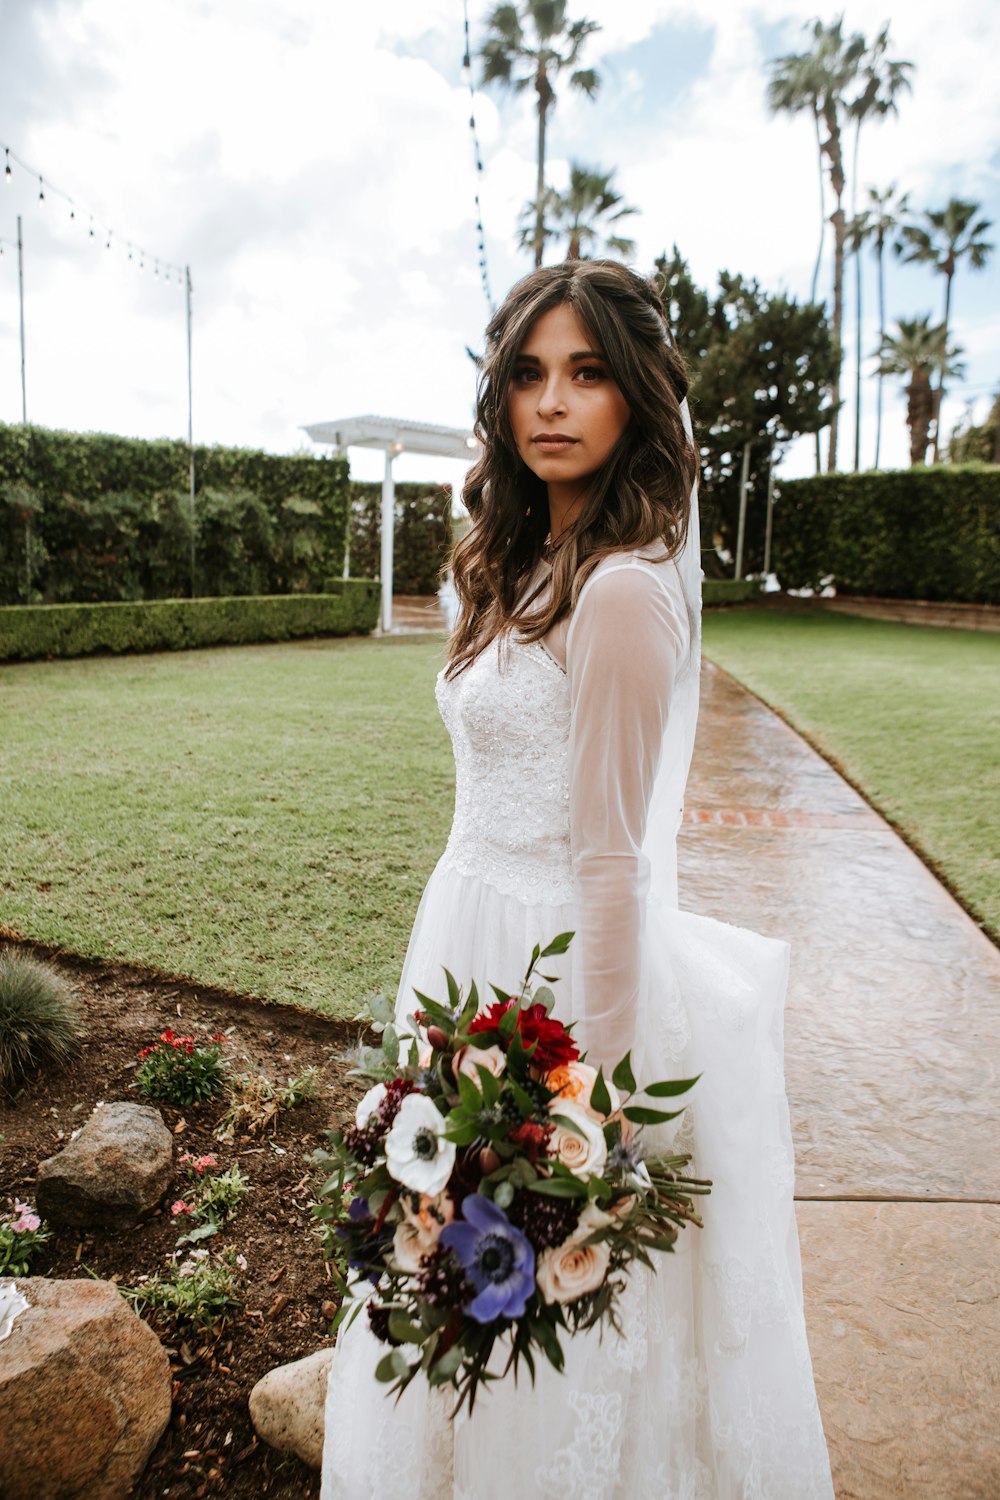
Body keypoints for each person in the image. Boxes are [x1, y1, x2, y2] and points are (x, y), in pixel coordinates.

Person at [321, 260, 834, 1499]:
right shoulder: (509, 569)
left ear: (634, 402)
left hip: (553, 973)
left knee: (545, 1286)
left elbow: (611, 863)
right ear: (500, 399)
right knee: (445, 1249)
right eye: (530, 374)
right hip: (462, 928)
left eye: (588, 373)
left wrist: (582, 1110)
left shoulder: (616, 593)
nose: (552, 402)